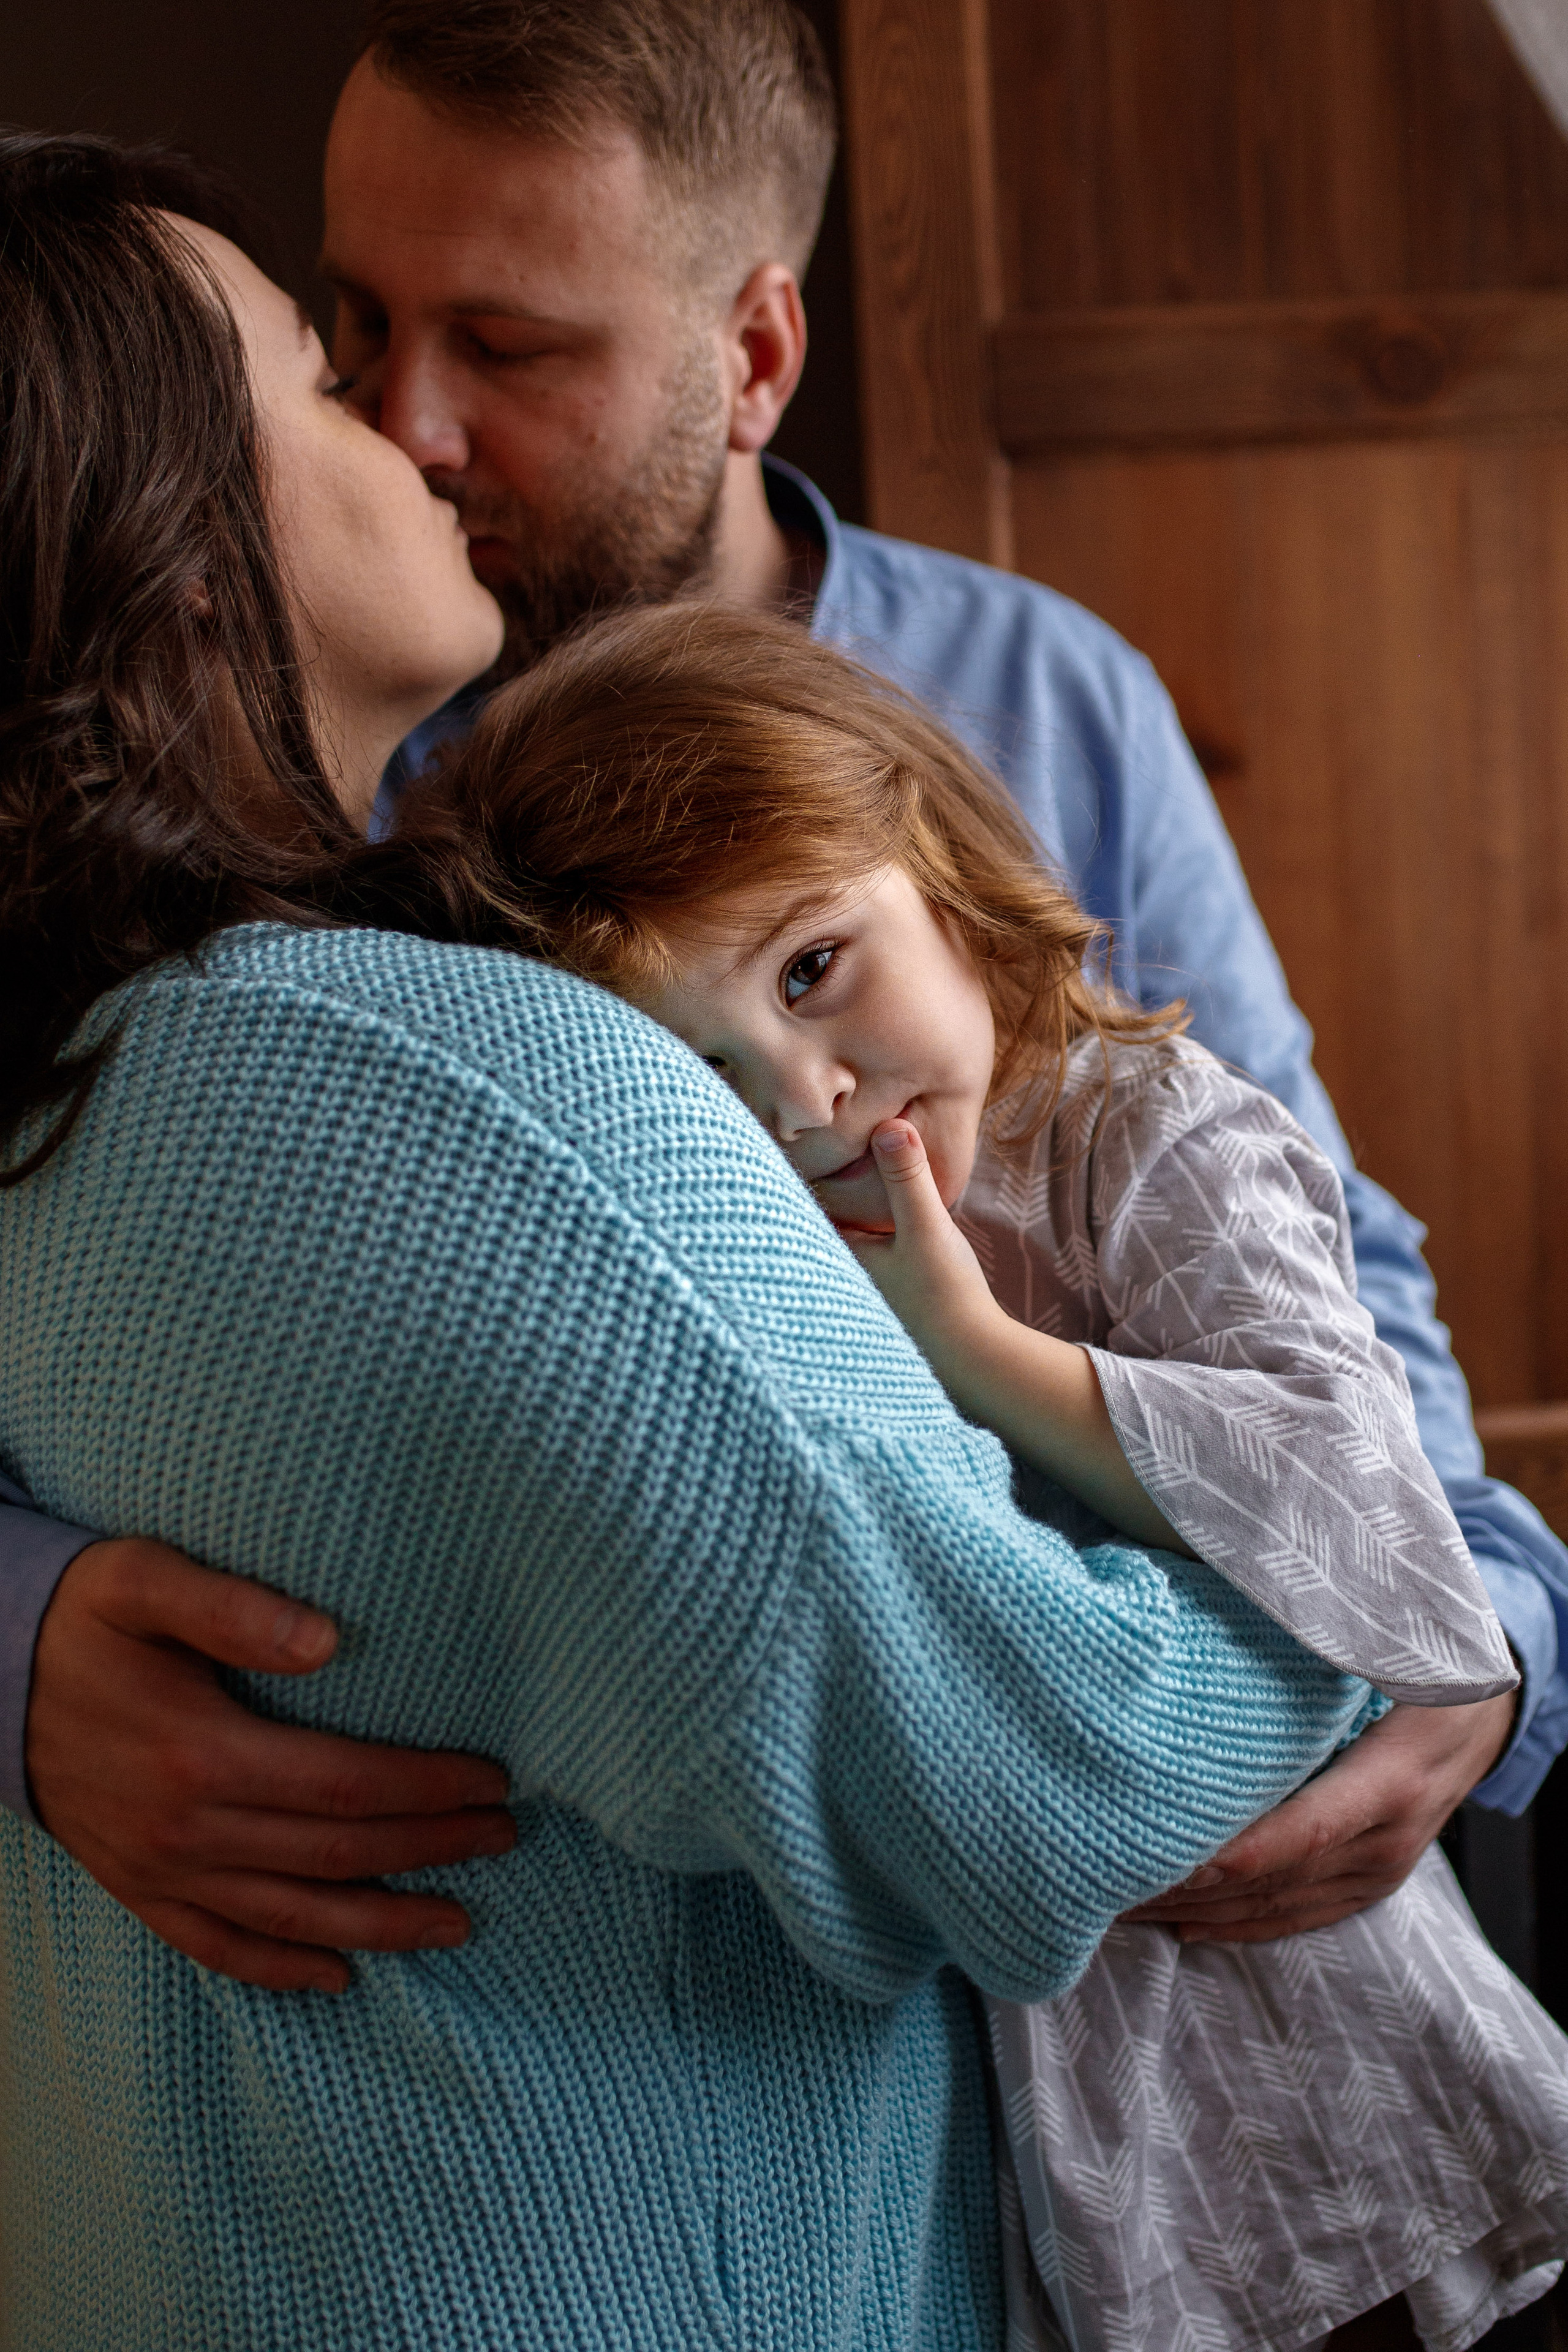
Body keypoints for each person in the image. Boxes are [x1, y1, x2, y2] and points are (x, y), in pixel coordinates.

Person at [5, 0, 1564, 1989]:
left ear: (751, 358)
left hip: (1174, 1836)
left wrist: (1490, 1655)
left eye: (507, 344)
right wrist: (24, 1646)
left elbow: (1311, 1247)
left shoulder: (1041, 703)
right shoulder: (299, 795)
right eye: (355, 330)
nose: (411, 423)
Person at [349, 597, 1568, 2350]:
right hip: (1016, 2145)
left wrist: (983, 1359)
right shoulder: (755, 1246)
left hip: (1314, 2084)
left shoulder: (1151, 1136)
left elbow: (1370, 1527)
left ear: (928, 852)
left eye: (810, 970)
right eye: (704, 1073)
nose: (812, 1102)